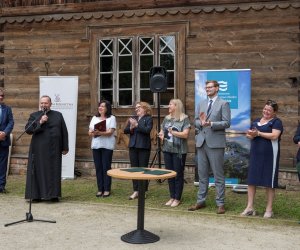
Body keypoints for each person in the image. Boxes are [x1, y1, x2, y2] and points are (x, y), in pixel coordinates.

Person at [189, 80, 231, 214]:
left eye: (210, 87)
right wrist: (201, 123)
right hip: (201, 142)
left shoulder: (223, 103)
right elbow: (195, 121)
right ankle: (200, 201)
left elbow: (227, 123)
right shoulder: (201, 103)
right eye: (206, 87)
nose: (207, 89)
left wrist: (211, 123)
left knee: (218, 175)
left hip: (215, 143)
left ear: (217, 88)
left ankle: (220, 203)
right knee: (202, 174)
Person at [241, 100, 283, 218]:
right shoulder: (255, 121)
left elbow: (275, 136)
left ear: (274, 112)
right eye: (265, 109)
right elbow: (250, 136)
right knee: (251, 181)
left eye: (269, 110)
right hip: (255, 154)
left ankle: (269, 209)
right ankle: (250, 207)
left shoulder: (276, 122)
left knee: (269, 182)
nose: (266, 112)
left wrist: (258, 133)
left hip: (270, 155)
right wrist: (250, 134)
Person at [25, 95, 68, 202]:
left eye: (46, 103)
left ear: (50, 104)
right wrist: (40, 122)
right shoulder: (34, 115)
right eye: (42, 103)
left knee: (53, 171)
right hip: (38, 149)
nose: (44, 105)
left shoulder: (58, 115)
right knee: (37, 171)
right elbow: (28, 130)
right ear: (40, 104)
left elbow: (64, 132)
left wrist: (65, 146)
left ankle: (53, 195)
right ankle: (36, 195)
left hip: (54, 149)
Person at [158, 99, 191, 207]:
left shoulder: (184, 119)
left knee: (178, 174)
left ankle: (177, 198)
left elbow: (186, 134)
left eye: (171, 104)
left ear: (177, 106)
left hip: (179, 151)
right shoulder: (167, 118)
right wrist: (162, 135)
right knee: (170, 174)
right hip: (167, 149)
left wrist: (174, 132)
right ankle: (172, 196)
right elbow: (162, 130)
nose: (169, 106)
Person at [124, 102, 153, 200]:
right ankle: (136, 191)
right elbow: (125, 130)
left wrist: (136, 125)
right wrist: (131, 127)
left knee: (143, 170)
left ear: (145, 108)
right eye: (135, 108)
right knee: (134, 169)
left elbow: (147, 130)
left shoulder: (148, 118)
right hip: (133, 146)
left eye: (138, 107)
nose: (136, 109)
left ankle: (143, 191)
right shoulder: (133, 117)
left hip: (143, 147)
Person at [89, 100, 116, 198]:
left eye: (103, 106)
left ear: (107, 108)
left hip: (107, 146)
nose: (100, 108)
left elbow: (110, 132)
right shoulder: (94, 118)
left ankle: (107, 189)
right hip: (96, 146)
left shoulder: (112, 118)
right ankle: (100, 189)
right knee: (98, 168)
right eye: (99, 106)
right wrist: (94, 133)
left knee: (106, 167)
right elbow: (89, 132)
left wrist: (99, 132)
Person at [0, 88, 14, 193]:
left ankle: (1, 186)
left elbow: (11, 122)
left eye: (2, 95)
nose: (1, 97)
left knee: (2, 165)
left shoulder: (7, 109)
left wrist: (4, 133)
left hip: (3, 140)